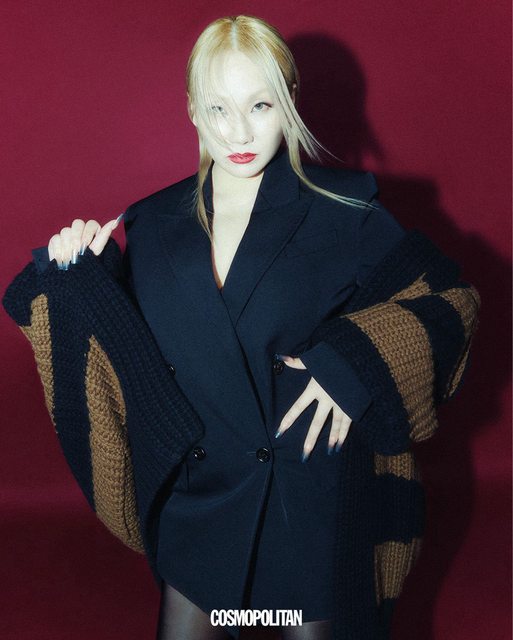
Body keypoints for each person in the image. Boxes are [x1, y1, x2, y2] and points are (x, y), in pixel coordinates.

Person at [4, 14, 481, 640]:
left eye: (260, 105)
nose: (238, 132)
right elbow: (133, 361)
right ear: (192, 110)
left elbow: (450, 300)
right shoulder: (150, 223)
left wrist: (355, 364)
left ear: (289, 100)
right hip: (203, 502)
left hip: (312, 499)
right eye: (218, 108)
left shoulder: (344, 211)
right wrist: (78, 275)